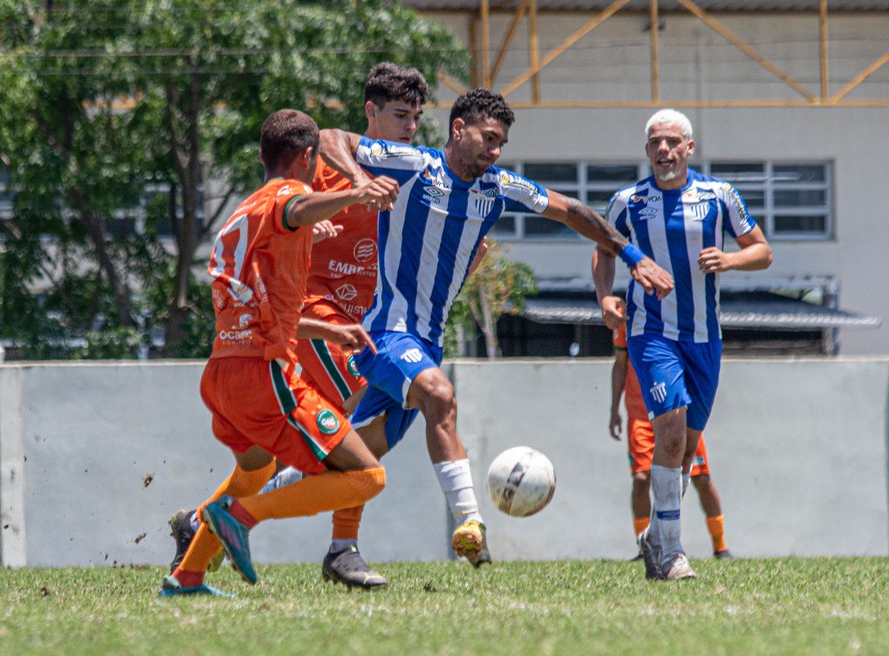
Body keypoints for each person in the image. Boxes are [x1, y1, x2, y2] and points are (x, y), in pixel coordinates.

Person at [317, 88, 674, 571]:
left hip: (427, 341)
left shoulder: (499, 185)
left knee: (356, 451)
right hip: (386, 331)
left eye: (501, 142)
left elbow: (573, 212)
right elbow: (327, 136)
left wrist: (632, 257)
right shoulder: (412, 163)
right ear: (458, 129)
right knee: (439, 397)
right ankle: (471, 523)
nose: (495, 150)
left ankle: (238, 518)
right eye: (488, 138)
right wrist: (362, 182)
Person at [166, 63, 431, 591]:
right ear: (307, 159)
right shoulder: (292, 194)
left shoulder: (244, 210)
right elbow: (296, 201)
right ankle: (284, 531)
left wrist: (328, 332)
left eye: (415, 118)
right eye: (401, 115)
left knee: (254, 471)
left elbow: (267, 307)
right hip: (267, 371)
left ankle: (189, 568)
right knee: (365, 471)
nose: (410, 127)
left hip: (228, 368)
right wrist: (355, 193)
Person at [593, 108, 772, 581]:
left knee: (687, 449)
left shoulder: (719, 195)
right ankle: (672, 552)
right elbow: (602, 249)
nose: (664, 150)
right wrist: (605, 299)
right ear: (646, 149)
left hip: (704, 339)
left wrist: (731, 260)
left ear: (689, 148)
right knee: (669, 433)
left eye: (673, 142)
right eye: (656, 142)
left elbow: (763, 250)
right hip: (650, 333)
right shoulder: (627, 201)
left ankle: (656, 536)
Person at [608, 322, 733, 560]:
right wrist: (614, 410)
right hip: (641, 418)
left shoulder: (681, 317)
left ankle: (720, 546)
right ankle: (645, 547)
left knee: (701, 477)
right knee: (642, 478)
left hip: (677, 415)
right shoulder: (632, 320)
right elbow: (620, 365)